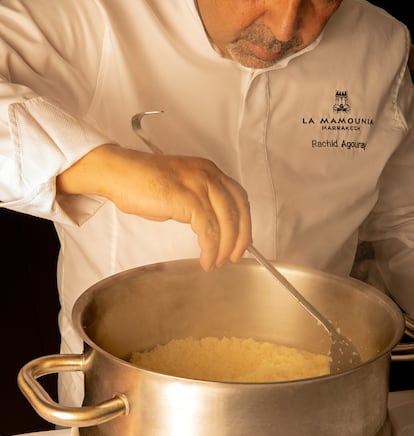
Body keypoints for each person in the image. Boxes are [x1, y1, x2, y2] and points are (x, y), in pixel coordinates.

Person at [0, 0, 413, 406]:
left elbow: (401, 221)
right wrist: (109, 169)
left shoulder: (382, 45)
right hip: (126, 396)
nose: (286, 27)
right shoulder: (87, 12)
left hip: (318, 397)